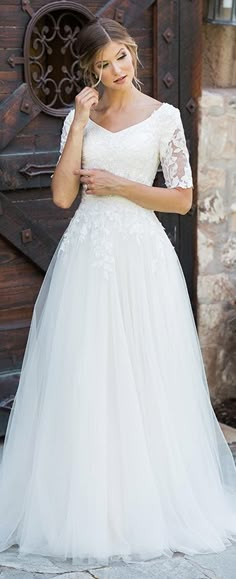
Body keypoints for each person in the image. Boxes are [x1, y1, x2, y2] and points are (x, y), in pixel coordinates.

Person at [0, 16, 235, 570]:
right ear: (91, 71)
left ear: (133, 53)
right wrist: (78, 123)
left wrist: (121, 186)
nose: (116, 71)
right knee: (86, 373)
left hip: (142, 257)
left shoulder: (165, 117)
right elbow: (61, 196)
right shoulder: (83, 115)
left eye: (121, 58)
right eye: (103, 65)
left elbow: (180, 199)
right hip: (88, 256)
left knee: (145, 370)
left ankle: (147, 501)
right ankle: (87, 506)